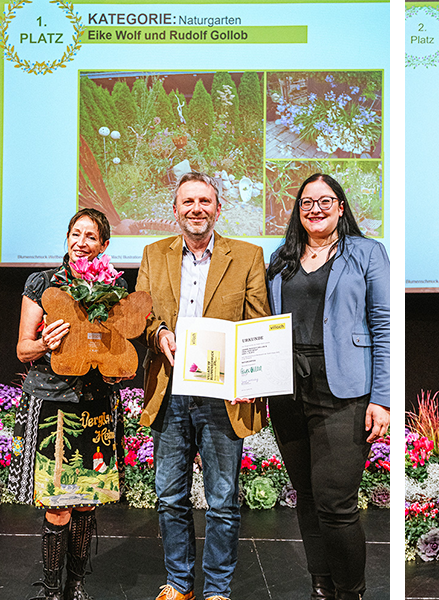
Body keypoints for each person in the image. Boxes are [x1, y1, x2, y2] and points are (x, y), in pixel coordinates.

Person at [136, 172, 269, 600]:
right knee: (170, 497)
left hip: (222, 396)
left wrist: (252, 377)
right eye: (188, 201)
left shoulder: (247, 255)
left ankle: (216, 589)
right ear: (175, 209)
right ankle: (178, 584)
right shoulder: (153, 254)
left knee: (224, 500)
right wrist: (158, 334)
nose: (196, 208)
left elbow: (257, 324)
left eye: (205, 201)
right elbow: (140, 315)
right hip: (171, 390)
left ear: (218, 208)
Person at [265, 174, 389, 600]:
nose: (315, 209)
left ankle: (350, 591)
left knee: (336, 503)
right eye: (306, 203)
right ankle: (322, 587)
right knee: (306, 497)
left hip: (344, 390)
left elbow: (384, 326)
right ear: (298, 211)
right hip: (286, 390)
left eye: (325, 201)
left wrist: (383, 399)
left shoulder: (367, 253)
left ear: (340, 207)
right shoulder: (281, 258)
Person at [9, 209, 129, 600]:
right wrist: (45, 343)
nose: (81, 242)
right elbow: (23, 349)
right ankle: (49, 590)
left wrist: (118, 366)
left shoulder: (115, 288)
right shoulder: (43, 284)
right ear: (66, 239)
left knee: (85, 506)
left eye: (91, 236)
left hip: (96, 405)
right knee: (58, 507)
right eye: (75, 234)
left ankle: (76, 584)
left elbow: (118, 347)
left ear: (104, 245)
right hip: (53, 405)